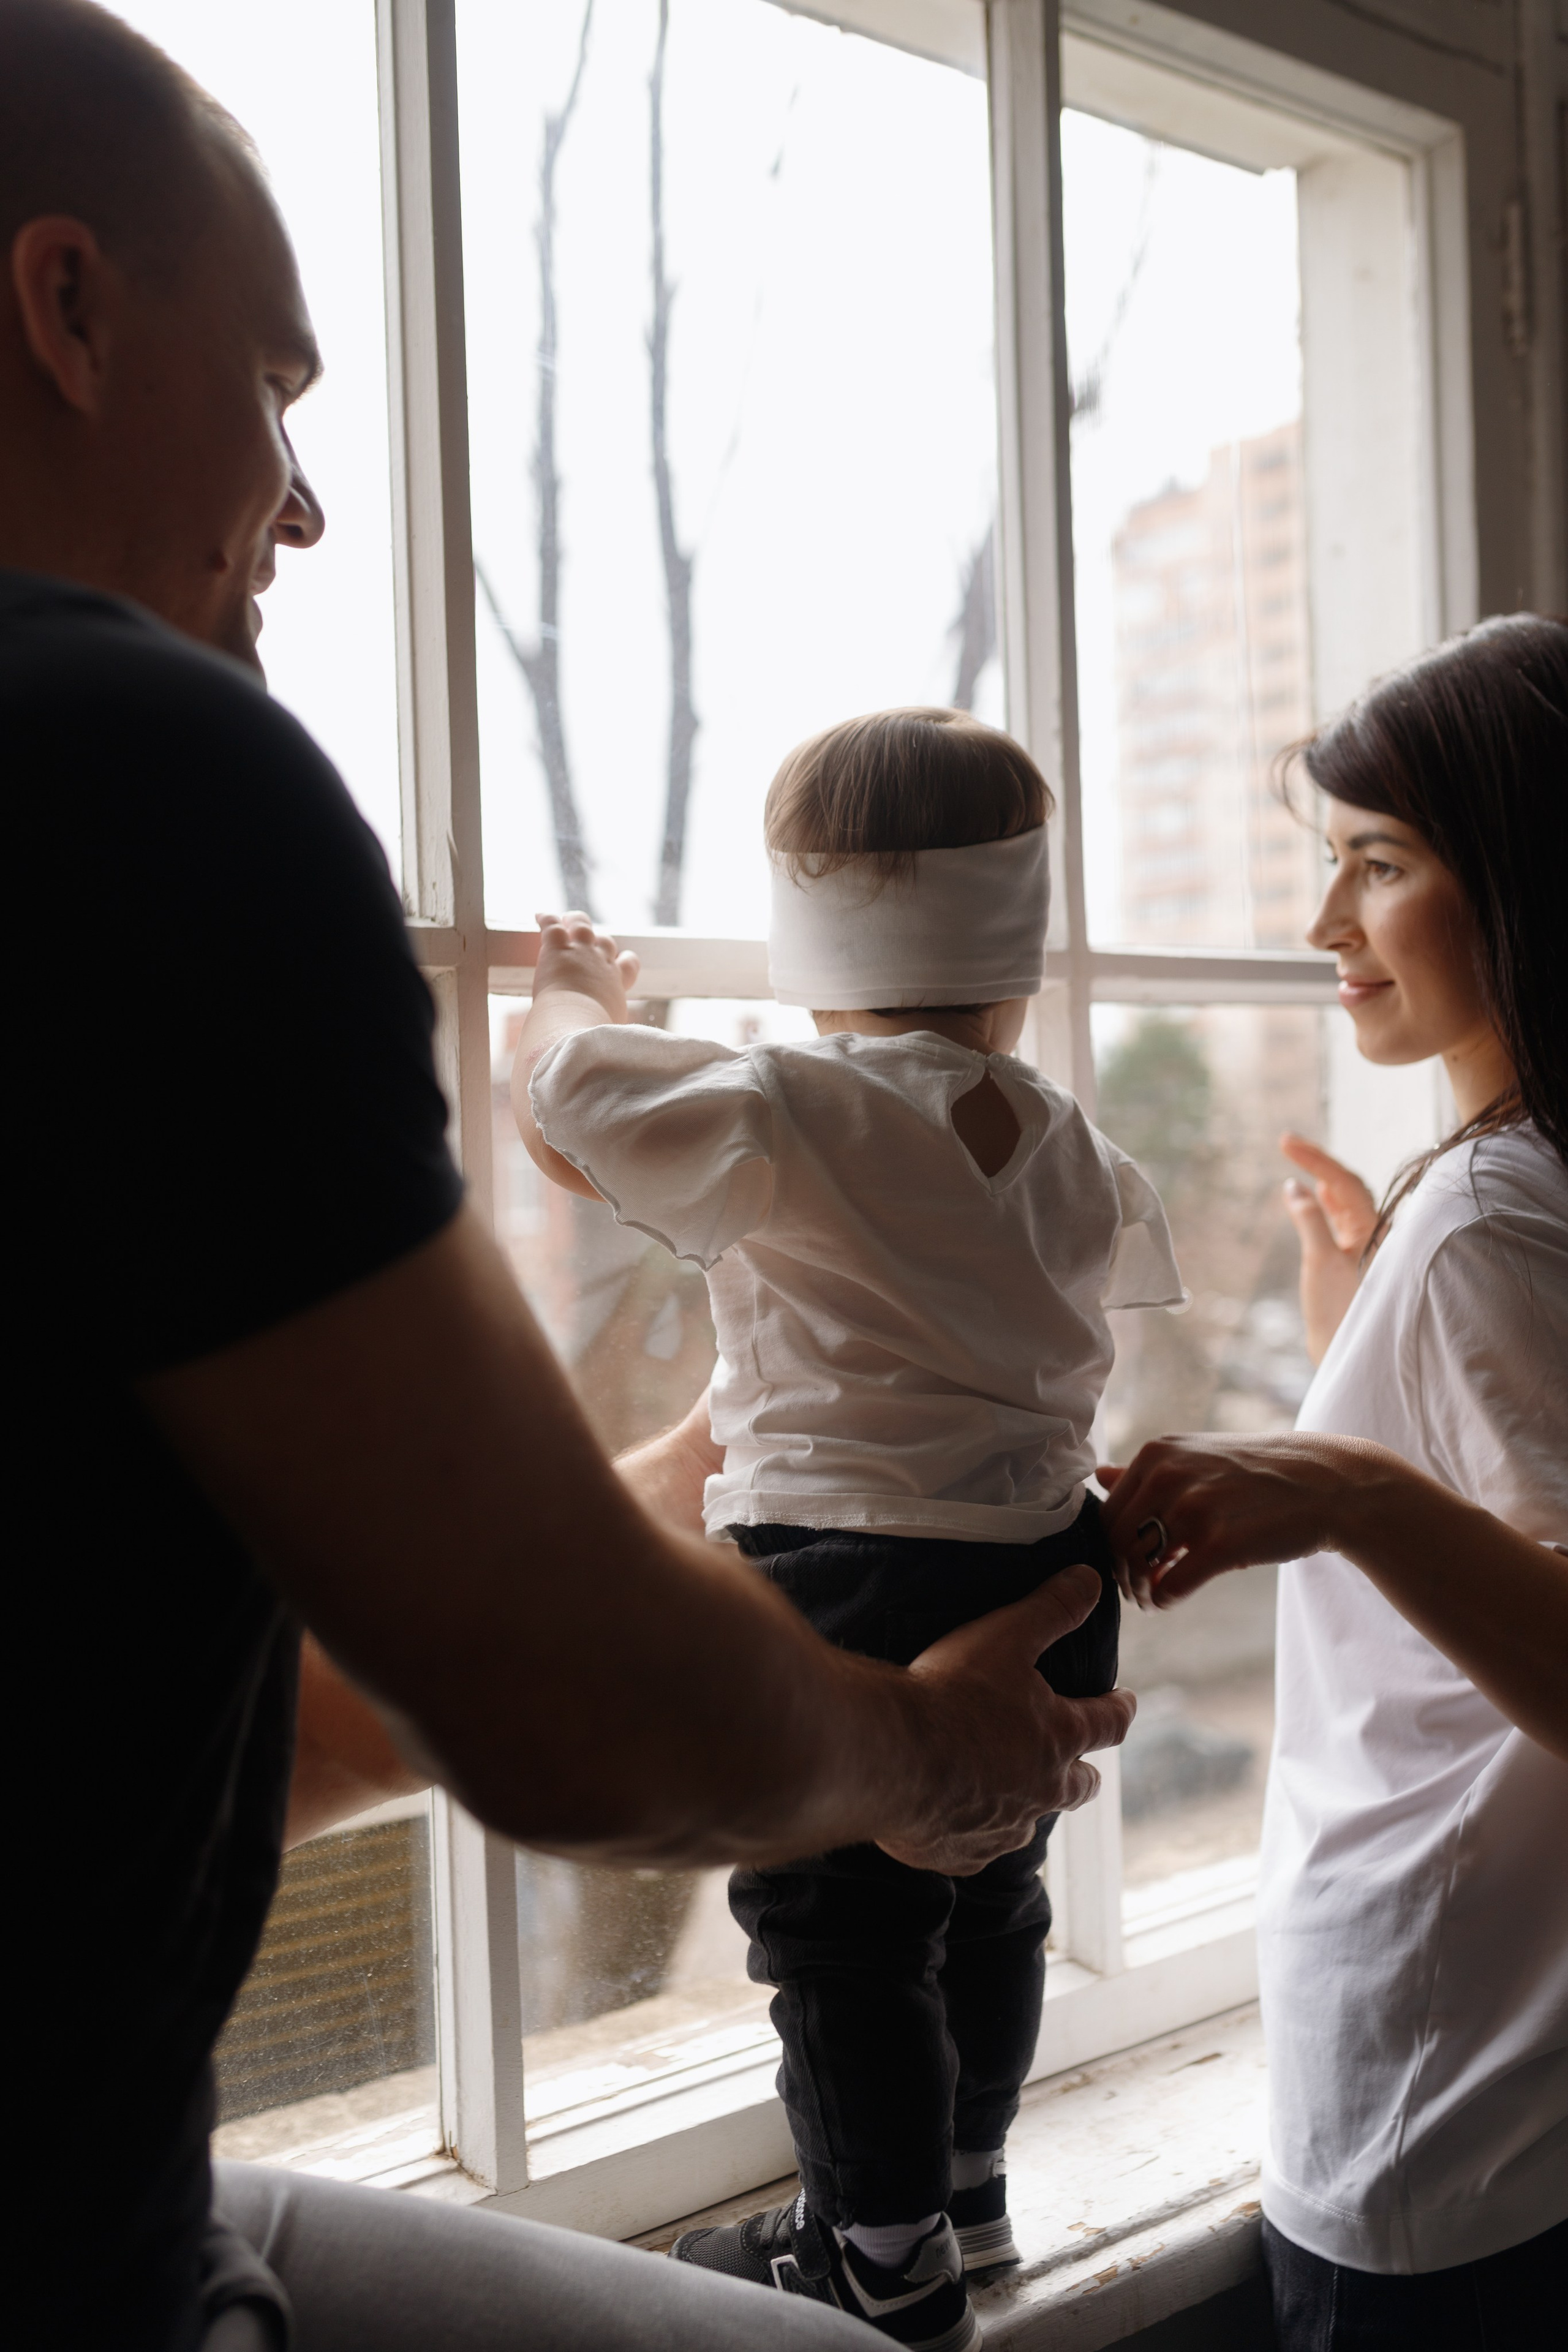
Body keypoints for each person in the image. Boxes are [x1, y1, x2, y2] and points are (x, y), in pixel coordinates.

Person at [1, 7, 1136, 2349]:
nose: (308, 505)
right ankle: (929, 2223)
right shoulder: (126, 759)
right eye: (287, 392)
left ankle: (905, 2219)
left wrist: (600, 1497)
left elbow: (290, 1695)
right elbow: (569, 1710)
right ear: (69, 307)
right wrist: (932, 1744)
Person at [510, 709, 1183, 2348]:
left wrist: (576, 994)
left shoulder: (797, 1102)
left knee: (840, 1925)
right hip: (1052, 1559)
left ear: (816, 933)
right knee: (993, 1883)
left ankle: (877, 2254)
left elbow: (573, 1105)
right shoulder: (1067, 1137)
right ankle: (965, 2187)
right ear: (1015, 948)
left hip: (855, 1565)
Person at [1098, 616, 1568, 2350]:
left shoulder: (1487, 1224)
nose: (1324, 928)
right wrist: (1362, 1317)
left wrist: (1357, 1485)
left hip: (1448, 2122)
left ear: (1523, 876)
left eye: (1378, 865)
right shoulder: (1498, 1206)